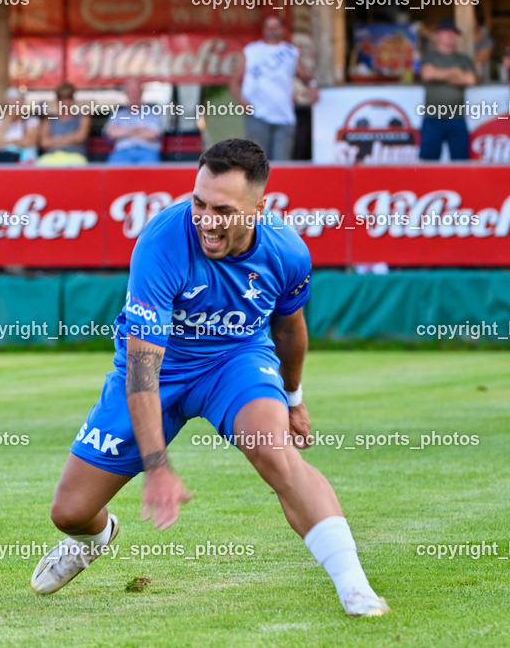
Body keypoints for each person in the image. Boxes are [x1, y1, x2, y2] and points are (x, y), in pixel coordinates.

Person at [30, 138, 389, 619]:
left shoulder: (287, 251)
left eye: (223, 210)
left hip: (235, 361)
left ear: (258, 208)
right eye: (199, 203)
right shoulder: (161, 242)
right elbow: (143, 369)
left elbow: (289, 328)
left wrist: (293, 397)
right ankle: (95, 539)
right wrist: (158, 467)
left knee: (274, 452)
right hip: (160, 371)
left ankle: (356, 588)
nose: (206, 220)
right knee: (70, 513)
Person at [230, 14, 317, 161]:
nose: (272, 31)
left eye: (275, 27)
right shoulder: (252, 51)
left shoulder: (290, 52)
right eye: (269, 27)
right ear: (264, 30)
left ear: (283, 29)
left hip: (284, 117)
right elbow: (234, 81)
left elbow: (304, 77)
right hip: (257, 114)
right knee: (257, 163)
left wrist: (313, 86)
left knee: (281, 164)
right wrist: (243, 102)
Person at [420, 19, 475, 161]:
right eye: (446, 32)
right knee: (428, 163)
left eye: (453, 33)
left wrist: (440, 75)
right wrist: (456, 72)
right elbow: (428, 74)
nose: (450, 35)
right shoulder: (430, 57)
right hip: (432, 117)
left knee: (461, 162)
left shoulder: (463, 59)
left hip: (457, 118)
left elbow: (470, 80)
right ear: (438, 35)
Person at [103, 78, 161, 164]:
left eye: (136, 91)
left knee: (150, 167)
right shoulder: (118, 114)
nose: (134, 94)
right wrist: (138, 130)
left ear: (141, 93)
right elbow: (111, 133)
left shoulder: (152, 113)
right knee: (115, 167)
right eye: (131, 91)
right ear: (126, 93)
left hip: (147, 152)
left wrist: (123, 131)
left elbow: (153, 134)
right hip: (122, 153)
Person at [38, 83, 90, 166]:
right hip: (51, 158)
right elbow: (44, 142)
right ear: (57, 100)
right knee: (40, 164)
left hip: (75, 157)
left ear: (73, 99)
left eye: (69, 97)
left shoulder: (83, 117)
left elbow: (80, 137)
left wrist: (55, 140)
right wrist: (71, 139)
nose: (65, 101)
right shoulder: (48, 120)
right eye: (62, 97)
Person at [0, 87, 40, 163]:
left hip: (23, 158)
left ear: (23, 101)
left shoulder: (31, 120)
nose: (15, 104)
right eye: (11, 100)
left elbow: (30, 141)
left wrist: (7, 143)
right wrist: (9, 118)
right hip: (3, 158)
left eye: (18, 100)